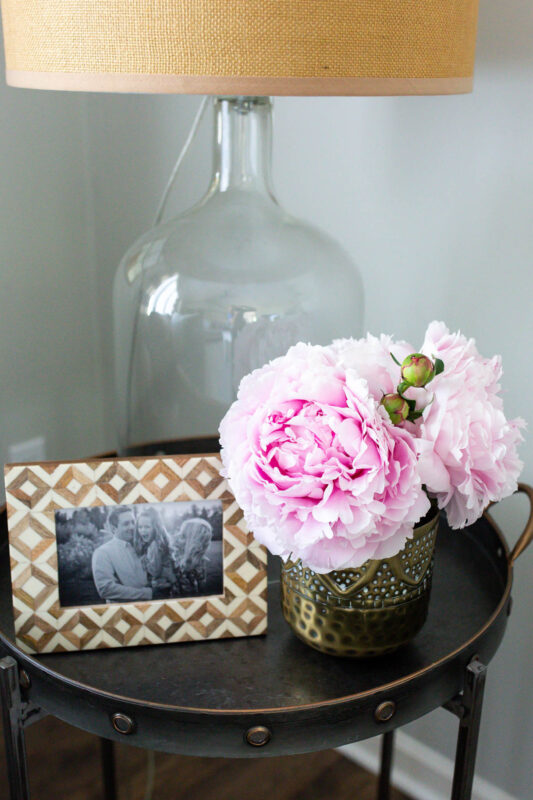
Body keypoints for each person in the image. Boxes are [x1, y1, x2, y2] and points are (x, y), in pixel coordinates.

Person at [92, 508, 153, 602]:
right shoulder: (102, 552)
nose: (132, 527)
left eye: (133, 522)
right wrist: (147, 593)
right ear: (113, 528)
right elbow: (106, 589)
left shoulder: (142, 545)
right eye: (126, 524)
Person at [133, 507, 175, 596]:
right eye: (140, 527)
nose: (142, 530)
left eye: (147, 527)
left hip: (160, 588)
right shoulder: (157, 543)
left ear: (155, 528)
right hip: (165, 586)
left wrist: (143, 562)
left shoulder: (154, 546)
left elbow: (155, 571)